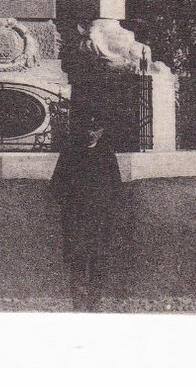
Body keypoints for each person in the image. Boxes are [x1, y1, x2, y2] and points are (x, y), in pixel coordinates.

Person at [51, 114, 123, 312]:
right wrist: (69, 204)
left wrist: (107, 206)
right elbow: (57, 185)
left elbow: (116, 186)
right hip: (76, 216)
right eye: (89, 129)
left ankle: (94, 301)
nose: (92, 134)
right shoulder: (70, 152)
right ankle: (79, 301)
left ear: (102, 132)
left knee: (99, 257)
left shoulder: (107, 154)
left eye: (97, 129)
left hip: (100, 217)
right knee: (77, 256)